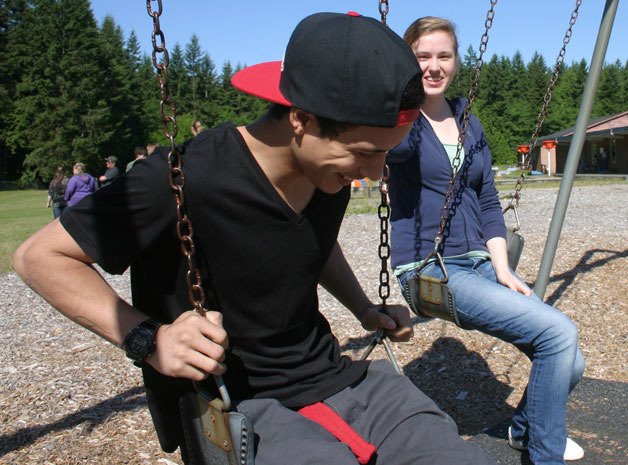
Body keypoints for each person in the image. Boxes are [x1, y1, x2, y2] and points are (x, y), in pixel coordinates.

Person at [13, 12, 496, 465]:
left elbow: (315, 241)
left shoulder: (328, 171)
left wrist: (363, 308)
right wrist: (149, 338)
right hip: (239, 398)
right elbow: (40, 257)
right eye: (365, 154)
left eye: (383, 157)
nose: (371, 174)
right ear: (301, 119)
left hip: (332, 372)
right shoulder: (187, 176)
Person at [386, 17, 585, 465]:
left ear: (456, 60)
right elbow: (387, 150)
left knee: (570, 360)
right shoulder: (401, 123)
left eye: (443, 55)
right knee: (559, 332)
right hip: (430, 269)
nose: (434, 67)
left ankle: (524, 427)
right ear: (407, 61)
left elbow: (489, 202)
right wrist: (393, 98)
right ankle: (544, 455)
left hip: (480, 265)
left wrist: (502, 270)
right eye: (422, 57)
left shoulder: (468, 121)